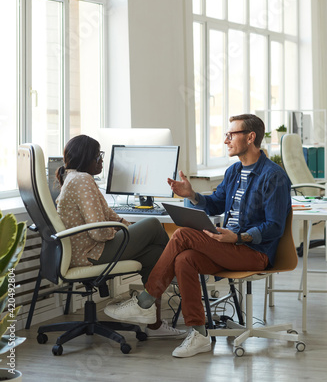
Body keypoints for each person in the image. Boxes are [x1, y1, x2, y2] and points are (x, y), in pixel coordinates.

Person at [104, 114, 292, 358]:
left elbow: (274, 227)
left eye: (231, 134)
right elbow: (214, 204)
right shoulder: (234, 171)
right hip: (230, 247)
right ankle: (199, 333)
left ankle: (146, 301)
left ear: (250, 137)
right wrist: (192, 195)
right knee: (185, 260)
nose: (226, 140)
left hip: (254, 253)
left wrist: (237, 237)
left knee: (182, 235)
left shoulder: (273, 176)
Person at [56, 134, 186, 339]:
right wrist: (121, 231)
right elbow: (99, 232)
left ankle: (153, 322)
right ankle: (179, 274)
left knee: (155, 254)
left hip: (86, 252)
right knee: (153, 224)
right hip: (91, 254)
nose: (101, 160)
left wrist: (126, 227)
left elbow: (109, 216)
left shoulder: (74, 177)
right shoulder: (82, 180)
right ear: (86, 157)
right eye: (98, 155)